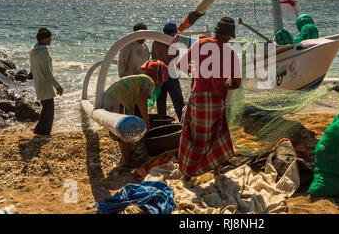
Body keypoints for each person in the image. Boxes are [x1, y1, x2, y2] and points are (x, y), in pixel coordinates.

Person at [177, 16, 241, 181]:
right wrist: (226, 82)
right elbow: (236, 83)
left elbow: (180, 64)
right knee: (216, 135)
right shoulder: (230, 52)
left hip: (198, 97)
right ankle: (216, 171)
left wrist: (195, 69)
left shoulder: (200, 43)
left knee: (193, 135)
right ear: (228, 36)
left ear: (216, 31)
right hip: (217, 100)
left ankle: (187, 174)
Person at [103, 60, 169, 167]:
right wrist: (146, 121)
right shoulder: (149, 82)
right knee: (125, 133)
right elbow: (141, 100)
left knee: (121, 133)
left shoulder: (141, 78)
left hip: (110, 99)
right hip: (119, 101)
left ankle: (126, 158)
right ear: (159, 77)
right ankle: (127, 162)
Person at [29, 28, 63, 135]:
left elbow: (33, 69)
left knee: (45, 109)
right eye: (49, 37)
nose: (50, 39)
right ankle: (44, 132)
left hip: (38, 83)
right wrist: (57, 86)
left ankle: (38, 131)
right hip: (45, 84)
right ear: (43, 39)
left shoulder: (33, 51)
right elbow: (47, 72)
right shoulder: (43, 52)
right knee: (49, 111)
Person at [151, 22, 185, 121]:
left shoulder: (156, 42)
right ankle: (182, 121)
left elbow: (153, 55)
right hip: (170, 73)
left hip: (159, 74)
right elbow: (175, 58)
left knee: (161, 100)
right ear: (172, 32)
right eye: (175, 33)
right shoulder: (172, 43)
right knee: (178, 100)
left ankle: (162, 122)